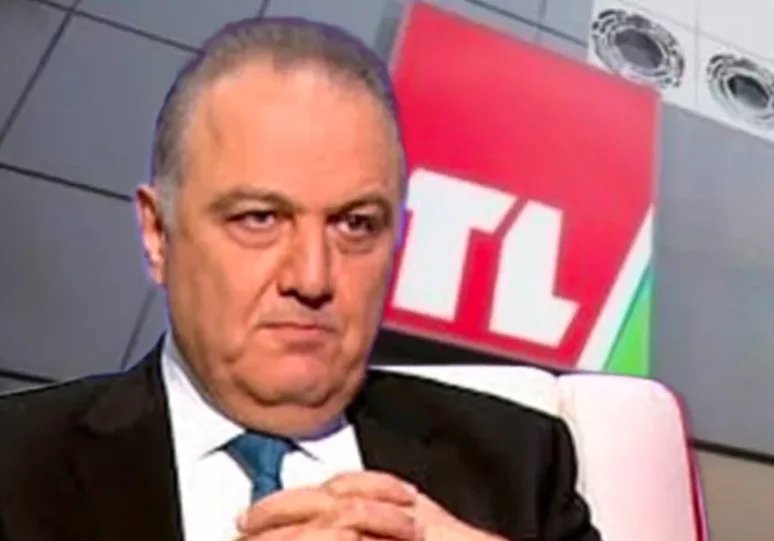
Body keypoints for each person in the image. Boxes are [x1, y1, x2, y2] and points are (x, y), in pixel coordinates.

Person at [0, 17, 601, 541]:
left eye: (356, 224)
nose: (312, 278)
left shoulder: (520, 463)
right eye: (259, 218)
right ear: (158, 233)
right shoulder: (16, 465)